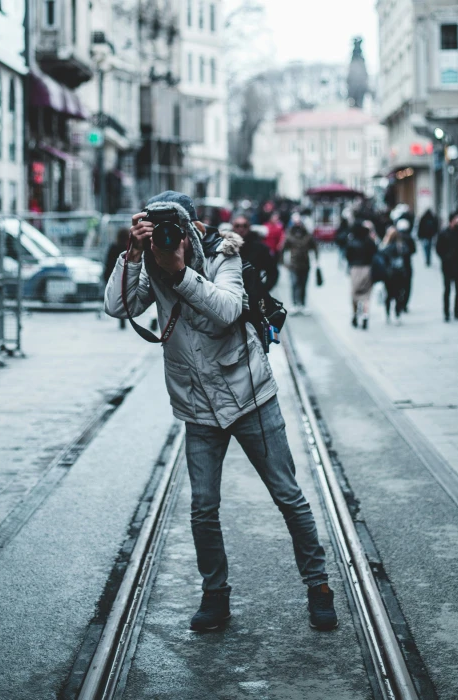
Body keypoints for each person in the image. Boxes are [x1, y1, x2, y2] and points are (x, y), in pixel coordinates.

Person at [104, 191, 337, 633]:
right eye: (159, 230)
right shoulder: (150, 260)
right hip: (197, 404)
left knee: (288, 495)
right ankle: (215, 596)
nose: (169, 238)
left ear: (193, 228)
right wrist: (133, 254)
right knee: (203, 508)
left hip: (249, 395)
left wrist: (180, 273)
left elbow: (229, 309)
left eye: (175, 229)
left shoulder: (222, 254)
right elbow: (118, 307)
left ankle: (318, 586)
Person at [436, 212, 458, 322]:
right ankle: (446, 313)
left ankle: (457, 312)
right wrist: (445, 257)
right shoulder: (444, 233)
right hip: (447, 266)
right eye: (457, 219)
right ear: (451, 220)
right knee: (447, 290)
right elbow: (438, 249)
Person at [283, 212, 318, 315]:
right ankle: (294, 304)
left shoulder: (307, 235)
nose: (297, 224)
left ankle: (302, 304)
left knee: (303, 284)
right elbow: (283, 248)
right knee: (294, 284)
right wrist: (284, 262)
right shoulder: (289, 234)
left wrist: (316, 260)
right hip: (293, 264)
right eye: (295, 222)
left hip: (305, 264)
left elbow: (314, 247)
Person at [232, 215, 279, 291]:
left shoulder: (260, 248)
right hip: (231, 293)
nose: (241, 229)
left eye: (244, 226)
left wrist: (263, 289)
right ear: (233, 227)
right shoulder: (225, 247)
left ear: (249, 227)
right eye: (237, 226)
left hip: (252, 295)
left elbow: (272, 272)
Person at [346, 222, 377, 330]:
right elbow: (375, 254)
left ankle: (354, 314)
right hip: (367, 269)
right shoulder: (369, 242)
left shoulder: (352, 242)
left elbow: (348, 256)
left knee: (354, 294)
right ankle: (365, 316)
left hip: (355, 269)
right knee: (366, 296)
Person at [380, 227, 409, 324]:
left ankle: (388, 314)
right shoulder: (402, 247)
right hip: (400, 274)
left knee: (388, 295)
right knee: (398, 295)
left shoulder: (386, 247)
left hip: (389, 275)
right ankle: (397, 314)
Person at [395, 218, 416, 311]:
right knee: (407, 285)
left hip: (398, 266)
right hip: (406, 265)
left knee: (399, 285)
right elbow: (413, 250)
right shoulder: (409, 237)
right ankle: (404, 303)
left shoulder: (396, 237)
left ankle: (399, 303)